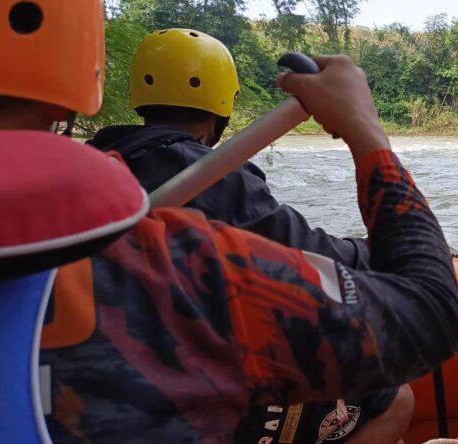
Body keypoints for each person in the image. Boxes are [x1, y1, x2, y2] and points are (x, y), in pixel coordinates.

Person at [0, 1, 458, 442]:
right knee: (392, 397)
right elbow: (431, 309)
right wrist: (366, 131)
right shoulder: (180, 267)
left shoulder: (113, 163)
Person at [87, 28, 407, 444]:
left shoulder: (96, 161)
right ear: (222, 106)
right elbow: (306, 254)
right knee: (396, 400)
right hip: (184, 383)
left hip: (112, 374)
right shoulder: (214, 176)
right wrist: (372, 251)